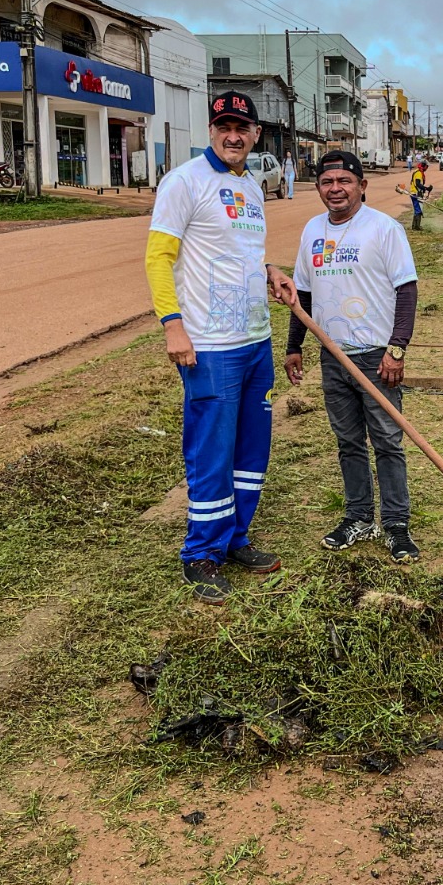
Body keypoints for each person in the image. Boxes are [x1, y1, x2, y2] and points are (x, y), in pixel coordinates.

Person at [144, 90, 297, 603]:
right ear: (211, 131)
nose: (233, 135)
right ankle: (201, 555)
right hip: (209, 346)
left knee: (251, 451)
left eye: (243, 127)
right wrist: (172, 323)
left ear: (257, 135)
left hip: (256, 341)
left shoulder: (251, 186)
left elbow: (241, 253)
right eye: (223, 125)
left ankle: (235, 539)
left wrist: (272, 270)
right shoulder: (184, 182)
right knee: (211, 451)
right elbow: (158, 258)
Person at [284, 150, 421, 563]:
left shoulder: (383, 229)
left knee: (387, 442)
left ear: (362, 185)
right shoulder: (312, 230)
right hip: (333, 356)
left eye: (344, 181)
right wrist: (295, 345)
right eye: (327, 182)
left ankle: (396, 525)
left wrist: (396, 349)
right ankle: (358, 516)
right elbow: (301, 295)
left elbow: (407, 290)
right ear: (319, 189)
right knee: (348, 443)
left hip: (377, 357)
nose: (335, 189)